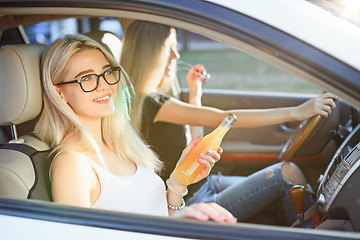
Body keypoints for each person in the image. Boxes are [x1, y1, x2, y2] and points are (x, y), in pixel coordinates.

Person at [119, 20, 338, 225]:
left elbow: (195, 144)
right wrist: (295, 112)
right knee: (286, 174)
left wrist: (195, 94)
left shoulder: (154, 99)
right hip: (191, 199)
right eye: (169, 49)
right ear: (150, 54)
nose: (176, 56)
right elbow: (222, 118)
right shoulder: (152, 103)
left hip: (204, 184)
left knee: (289, 176)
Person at [33, 34, 237, 223]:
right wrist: (175, 222)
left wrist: (177, 183)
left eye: (106, 72)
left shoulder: (120, 144)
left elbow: (156, 216)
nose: (104, 85)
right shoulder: (72, 163)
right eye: (86, 78)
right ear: (58, 92)